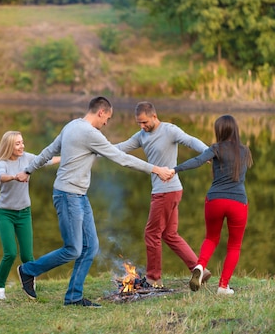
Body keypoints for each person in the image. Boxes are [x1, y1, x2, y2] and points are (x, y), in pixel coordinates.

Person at [15, 96, 172, 307]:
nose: (107, 122)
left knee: (90, 247)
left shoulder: (72, 126)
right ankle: (28, 271)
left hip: (78, 195)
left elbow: (48, 151)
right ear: (101, 112)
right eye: (108, 117)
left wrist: (28, 169)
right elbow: (121, 158)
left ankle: (73, 297)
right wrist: (156, 169)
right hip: (68, 195)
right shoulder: (90, 133)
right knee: (73, 248)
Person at [115, 101, 211, 288]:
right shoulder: (142, 136)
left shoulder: (169, 130)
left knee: (151, 234)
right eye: (139, 123)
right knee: (170, 234)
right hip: (167, 191)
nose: (142, 126)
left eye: (144, 122)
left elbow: (190, 140)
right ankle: (199, 268)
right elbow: (120, 148)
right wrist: (95, 149)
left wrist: (207, 152)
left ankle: (153, 278)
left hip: (166, 190)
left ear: (154, 116)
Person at [169, 114, 253, 295]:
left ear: (219, 131)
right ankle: (223, 286)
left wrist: (175, 169)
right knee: (234, 245)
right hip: (238, 202)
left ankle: (200, 265)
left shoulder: (216, 148)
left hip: (215, 200)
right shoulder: (244, 151)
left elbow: (197, 161)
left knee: (211, 238)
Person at [0, 131, 60, 300]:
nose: (22, 146)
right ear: (9, 146)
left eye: (22, 142)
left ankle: (29, 283)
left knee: (27, 255)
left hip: (24, 213)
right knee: (10, 253)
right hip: (5, 214)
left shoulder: (27, 158)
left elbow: (47, 160)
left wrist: (69, 156)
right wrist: (16, 176)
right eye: (17, 144)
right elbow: (1, 176)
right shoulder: (1, 163)